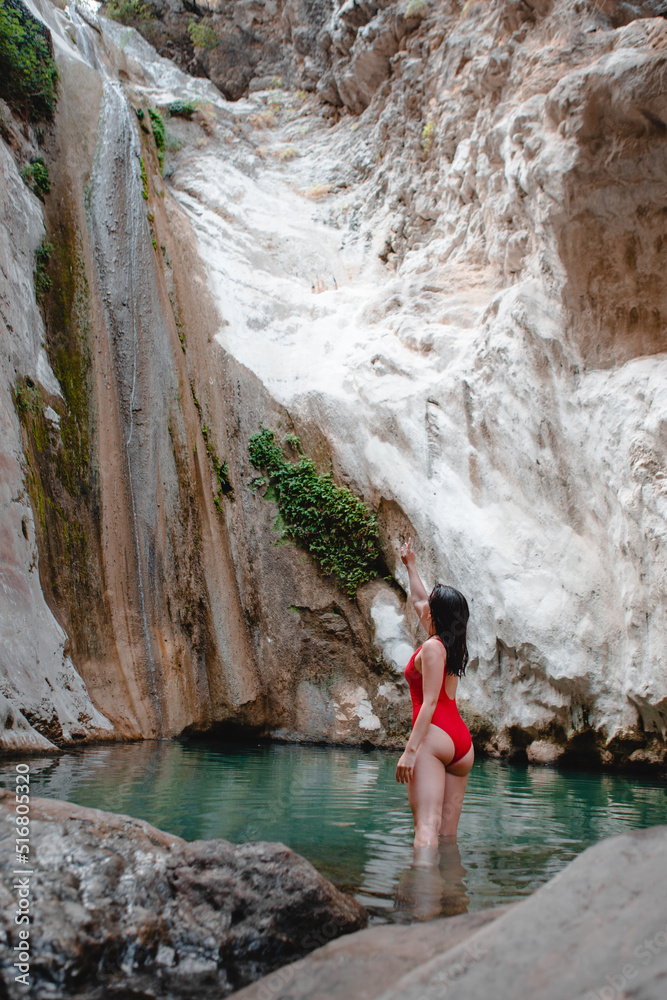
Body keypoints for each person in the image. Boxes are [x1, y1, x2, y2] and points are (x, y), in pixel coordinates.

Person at [396, 538, 474, 849]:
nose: (424, 603)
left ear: (436, 613)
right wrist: (410, 565)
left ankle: (424, 894)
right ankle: (453, 894)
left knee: (426, 831)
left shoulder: (431, 648)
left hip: (433, 739)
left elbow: (429, 703)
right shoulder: (450, 644)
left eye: (430, 602)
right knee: (446, 837)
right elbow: (418, 599)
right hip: (461, 746)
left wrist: (410, 751)